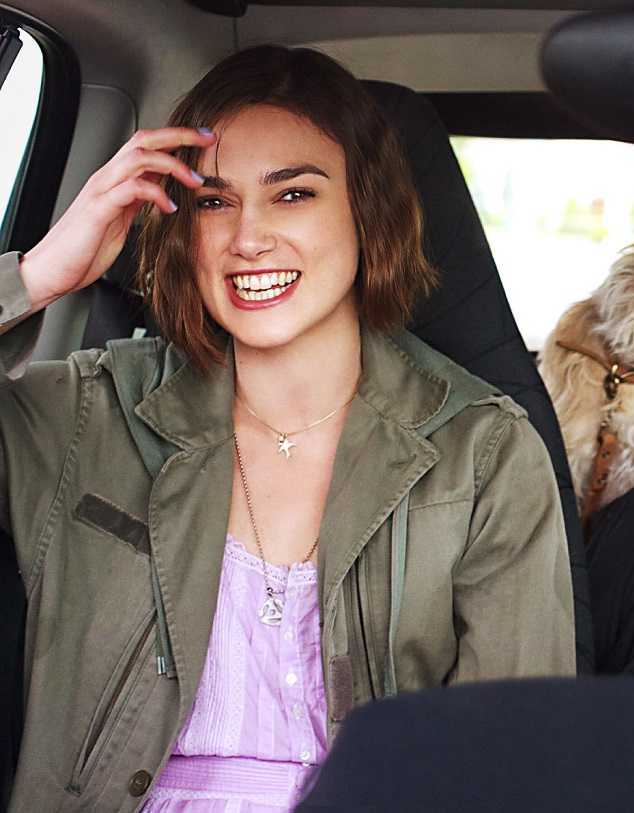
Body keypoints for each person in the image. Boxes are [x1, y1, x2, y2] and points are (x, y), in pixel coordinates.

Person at [0, 45, 574, 810]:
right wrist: (38, 274)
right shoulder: (87, 413)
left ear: (368, 211)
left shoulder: (482, 455)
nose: (248, 238)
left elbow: (511, 762)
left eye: (293, 194)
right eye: (213, 201)